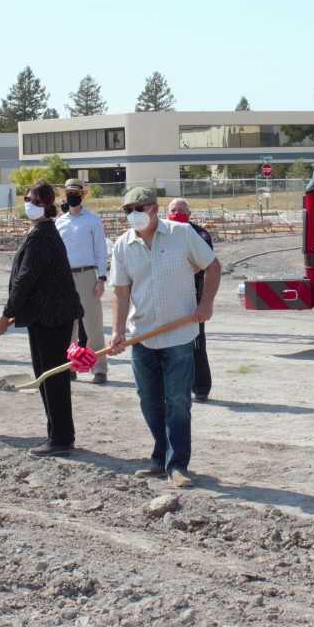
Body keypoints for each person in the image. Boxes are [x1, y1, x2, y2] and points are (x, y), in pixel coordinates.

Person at [107, 186, 220, 489]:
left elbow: (212, 266)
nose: (133, 215)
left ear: (154, 209)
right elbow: (120, 291)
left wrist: (205, 303)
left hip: (180, 335)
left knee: (178, 401)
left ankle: (178, 464)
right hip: (142, 336)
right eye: (127, 211)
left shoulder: (182, 235)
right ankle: (160, 456)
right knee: (149, 401)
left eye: (138, 209)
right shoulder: (123, 245)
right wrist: (117, 331)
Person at [0, 180, 85, 457]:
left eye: (35, 201)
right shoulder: (41, 232)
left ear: (47, 205)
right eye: (27, 199)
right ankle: (58, 434)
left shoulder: (42, 235)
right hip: (45, 315)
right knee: (47, 375)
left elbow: (25, 278)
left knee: (51, 376)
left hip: (51, 317)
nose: (29, 206)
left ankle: (60, 438)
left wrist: (7, 313)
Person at [55, 178, 109, 384]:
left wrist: (101, 278)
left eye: (76, 193)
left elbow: (100, 251)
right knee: (69, 326)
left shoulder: (93, 220)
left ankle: (99, 368)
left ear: (83, 195)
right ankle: (71, 366)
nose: (72, 196)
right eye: (69, 192)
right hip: (65, 277)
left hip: (87, 274)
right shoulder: (60, 222)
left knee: (93, 323)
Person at [166, 198, 215, 401]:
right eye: (173, 210)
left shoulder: (200, 233)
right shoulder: (162, 233)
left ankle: (201, 387)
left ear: (189, 213)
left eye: (181, 210)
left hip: (193, 296)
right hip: (167, 296)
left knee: (195, 341)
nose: (177, 212)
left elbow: (204, 264)